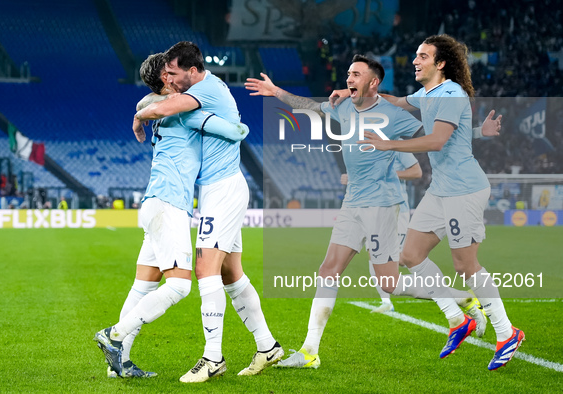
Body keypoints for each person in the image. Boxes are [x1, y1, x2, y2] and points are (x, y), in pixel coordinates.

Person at [245, 55, 486, 369]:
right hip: (352, 203)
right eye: (348, 74)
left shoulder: (393, 114)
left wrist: (481, 133)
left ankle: (458, 301)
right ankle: (309, 352)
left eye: (356, 74)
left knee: (388, 284)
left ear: (374, 82)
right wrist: (276, 91)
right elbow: (310, 105)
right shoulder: (343, 106)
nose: (348, 79)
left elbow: (441, 135)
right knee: (328, 270)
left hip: (381, 206)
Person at [357, 34, 524, 370]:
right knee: (410, 255)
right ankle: (457, 318)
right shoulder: (428, 93)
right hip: (441, 189)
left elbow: (436, 140)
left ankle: (507, 333)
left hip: (464, 189)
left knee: (465, 266)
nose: (415, 61)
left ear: (441, 62)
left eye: (422, 56)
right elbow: (400, 102)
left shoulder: (450, 93)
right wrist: (365, 93)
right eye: (415, 55)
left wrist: (388, 146)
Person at [132, 42, 282, 382]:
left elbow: (159, 107)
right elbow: (153, 101)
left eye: (173, 72)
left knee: (205, 268)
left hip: (223, 189)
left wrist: (140, 117)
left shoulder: (206, 89)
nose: (168, 77)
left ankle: (212, 357)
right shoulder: (198, 91)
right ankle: (267, 346)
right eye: (165, 73)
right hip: (220, 188)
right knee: (230, 273)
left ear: (192, 71)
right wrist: (144, 109)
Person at [93, 53, 249, 378]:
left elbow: (148, 101)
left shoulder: (162, 112)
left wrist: (140, 114)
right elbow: (236, 132)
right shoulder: (185, 114)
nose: (182, 79)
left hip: (154, 204)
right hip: (169, 205)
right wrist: (236, 123)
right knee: (179, 287)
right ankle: (115, 335)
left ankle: (118, 364)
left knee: (142, 287)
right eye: (173, 73)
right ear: (165, 79)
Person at [342, 152, 423, 313]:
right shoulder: (366, 148)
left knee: (401, 259)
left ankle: (440, 288)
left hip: (397, 210)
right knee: (374, 255)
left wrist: (382, 176)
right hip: (375, 209)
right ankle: (386, 302)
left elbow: (416, 172)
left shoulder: (396, 144)